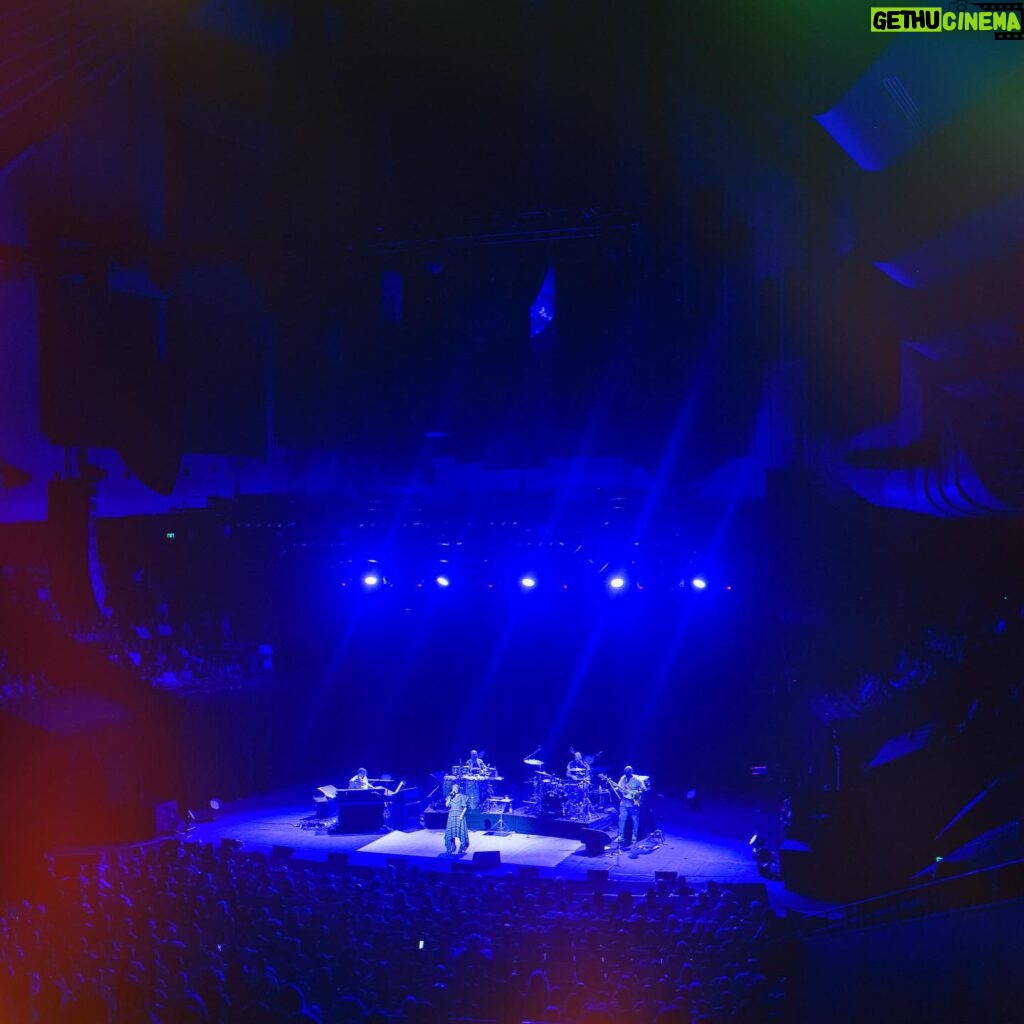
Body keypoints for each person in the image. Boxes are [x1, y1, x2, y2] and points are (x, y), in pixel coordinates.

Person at [612, 765, 647, 846]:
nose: (626, 774)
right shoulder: (623, 778)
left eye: (628, 773)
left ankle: (634, 837)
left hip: (633, 803)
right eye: (625, 772)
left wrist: (636, 794)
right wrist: (617, 789)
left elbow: (643, 789)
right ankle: (620, 836)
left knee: (635, 820)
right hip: (624, 802)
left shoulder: (637, 779)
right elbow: (619, 787)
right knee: (621, 819)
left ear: (631, 772)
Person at [444, 782, 470, 855]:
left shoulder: (462, 796)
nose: (455, 789)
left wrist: (461, 815)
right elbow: (446, 805)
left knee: (460, 831)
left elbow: (465, 808)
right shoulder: (450, 796)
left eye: (456, 788)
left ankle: (462, 847)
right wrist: (449, 797)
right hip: (451, 816)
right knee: (450, 832)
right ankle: (452, 846)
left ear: (458, 789)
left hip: (459, 816)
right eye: (453, 788)